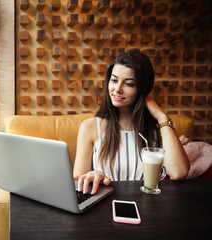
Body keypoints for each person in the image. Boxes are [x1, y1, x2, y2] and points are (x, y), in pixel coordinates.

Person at [73, 49, 190, 195]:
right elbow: (78, 182)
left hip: (146, 206)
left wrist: (161, 117)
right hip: (104, 207)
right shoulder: (90, 127)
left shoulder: (157, 130)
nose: (117, 89)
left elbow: (179, 172)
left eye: (128, 84)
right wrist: (94, 176)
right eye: (114, 80)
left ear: (142, 89)